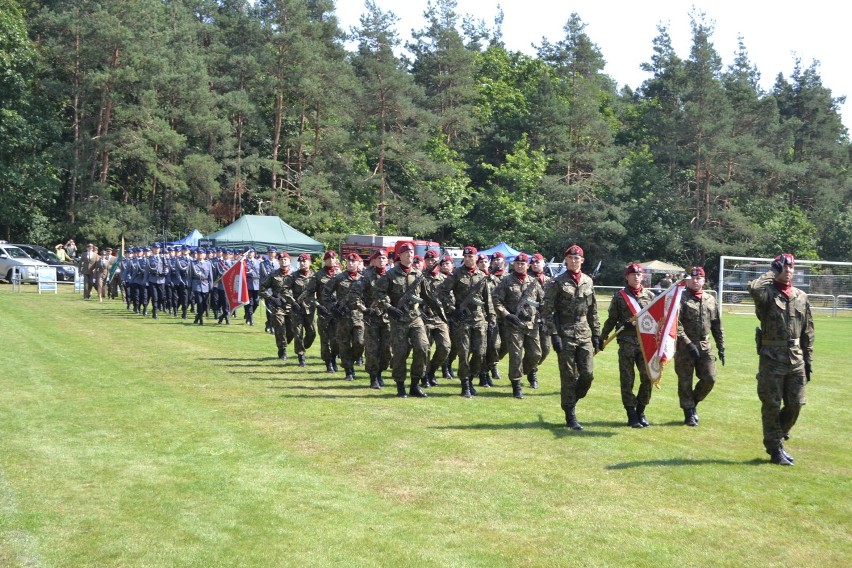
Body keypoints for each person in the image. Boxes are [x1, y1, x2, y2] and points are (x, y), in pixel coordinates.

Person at [748, 253, 814, 466]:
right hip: (772, 359)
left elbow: (808, 331)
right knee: (771, 404)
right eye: (784, 267)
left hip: (796, 359)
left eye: (791, 267)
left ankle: (778, 436)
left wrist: (809, 359)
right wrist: (771, 271)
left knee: (796, 403)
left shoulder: (801, 296)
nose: (788, 271)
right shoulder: (766, 294)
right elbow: (754, 288)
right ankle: (775, 448)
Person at [542, 245, 601, 429]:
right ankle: (570, 414)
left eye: (577, 258)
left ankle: (570, 399)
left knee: (587, 375)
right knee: (568, 375)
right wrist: (554, 335)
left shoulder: (588, 281)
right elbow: (546, 311)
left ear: (582, 261)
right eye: (570, 258)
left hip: (584, 333)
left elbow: (593, 310)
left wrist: (597, 333)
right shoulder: (557, 282)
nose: (574, 261)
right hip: (565, 333)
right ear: (566, 260)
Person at [375, 242, 442, 397]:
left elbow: (426, 295)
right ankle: (400, 385)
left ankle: (415, 383)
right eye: (406, 253)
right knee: (400, 353)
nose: (409, 255)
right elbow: (378, 293)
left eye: (411, 253)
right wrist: (389, 307)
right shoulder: (390, 275)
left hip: (415, 317)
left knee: (422, 347)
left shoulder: (418, 274)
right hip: (398, 319)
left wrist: (439, 309)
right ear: (400, 255)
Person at [600, 262, 656, 428]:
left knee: (647, 377)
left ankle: (641, 410)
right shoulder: (620, 296)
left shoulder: (651, 296)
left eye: (639, 274)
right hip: (627, 343)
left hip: (645, 344)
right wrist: (602, 337)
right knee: (627, 379)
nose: (636, 277)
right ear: (627, 276)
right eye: (633, 274)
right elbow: (611, 319)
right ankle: (631, 413)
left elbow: (655, 319)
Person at [439, 246, 496, 398]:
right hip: (462, 319)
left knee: (479, 352)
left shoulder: (482, 276)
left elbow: (488, 299)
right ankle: (465, 384)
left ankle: (471, 379)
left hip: (479, 319)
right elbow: (442, 292)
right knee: (463, 353)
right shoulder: (456, 274)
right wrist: (452, 309)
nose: (469, 259)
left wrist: (491, 318)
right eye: (466, 257)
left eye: (471, 256)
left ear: (476, 258)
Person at [675, 267, 724, 427]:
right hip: (685, 347)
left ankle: (693, 401)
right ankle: (688, 412)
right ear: (688, 280)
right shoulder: (680, 298)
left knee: (709, 378)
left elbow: (717, 324)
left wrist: (721, 346)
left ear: (704, 280)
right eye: (693, 278)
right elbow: (676, 324)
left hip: (704, 344)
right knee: (685, 380)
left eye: (699, 278)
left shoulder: (710, 299)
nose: (696, 281)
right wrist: (688, 343)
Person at [493, 253, 544, 399]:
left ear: (528, 266)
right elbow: (496, 300)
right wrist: (506, 314)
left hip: (531, 324)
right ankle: (516, 384)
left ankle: (521, 372)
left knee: (536, 354)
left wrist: (544, 316)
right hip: (513, 323)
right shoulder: (506, 281)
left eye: (523, 264)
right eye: (518, 263)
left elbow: (543, 301)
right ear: (514, 265)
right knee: (515, 355)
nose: (520, 266)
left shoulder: (534, 282)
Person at [322, 253, 365, 381]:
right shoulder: (338, 278)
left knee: (360, 342)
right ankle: (349, 371)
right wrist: (333, 307)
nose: (351, 263)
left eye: (354, 261)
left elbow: (370, 295)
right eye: (348, 261)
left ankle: (351, 360)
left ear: (358, 263)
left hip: (359, 315)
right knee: (344, 343)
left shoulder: (363, 279)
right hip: (343, 316)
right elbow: (325, 293)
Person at [357, 250, 392, 388]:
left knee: (387, 350)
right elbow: (355, 296)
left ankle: (380, 372)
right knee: (372, 349)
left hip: (387, 317)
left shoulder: (392, 275)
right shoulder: (366, 276)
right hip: (371, 318)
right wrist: (365, 309)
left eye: (384, 258)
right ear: (373, 260)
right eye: (379, 258)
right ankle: (373, 377)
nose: (381, 260)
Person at [421, 249, 451, 387]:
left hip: (439, 317)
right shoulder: (419, 277)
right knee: (425, 348)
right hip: (424, 317)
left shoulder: (444, 279)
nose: (431, 262)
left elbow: (450, 298)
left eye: (433, 260)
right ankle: (424, 376)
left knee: (445, 347)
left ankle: (432, 370)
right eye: (428, 260)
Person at [285, 253, 317, 367]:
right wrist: (292, 302)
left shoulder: (314, 276)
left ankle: (303, 345)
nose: (303, 263)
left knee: (312, 333)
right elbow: (284, 290)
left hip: (310, 309)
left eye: (305, 261)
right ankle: (301, 356)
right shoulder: (293, 276)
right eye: (301, 261)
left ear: (310, 262)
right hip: (297, 309)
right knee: (298, 333)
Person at [313, 251, 341, 373]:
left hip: (336, 312)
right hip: (324, 311)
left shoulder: (340, 274)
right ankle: (328, 362)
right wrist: (317, 305)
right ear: (324, 260)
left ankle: (334, 358)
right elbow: (309, 294)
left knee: (336, 339)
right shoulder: (318, 275)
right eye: (328, 258)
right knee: (325, 339)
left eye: (333, 258)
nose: (331, 260)